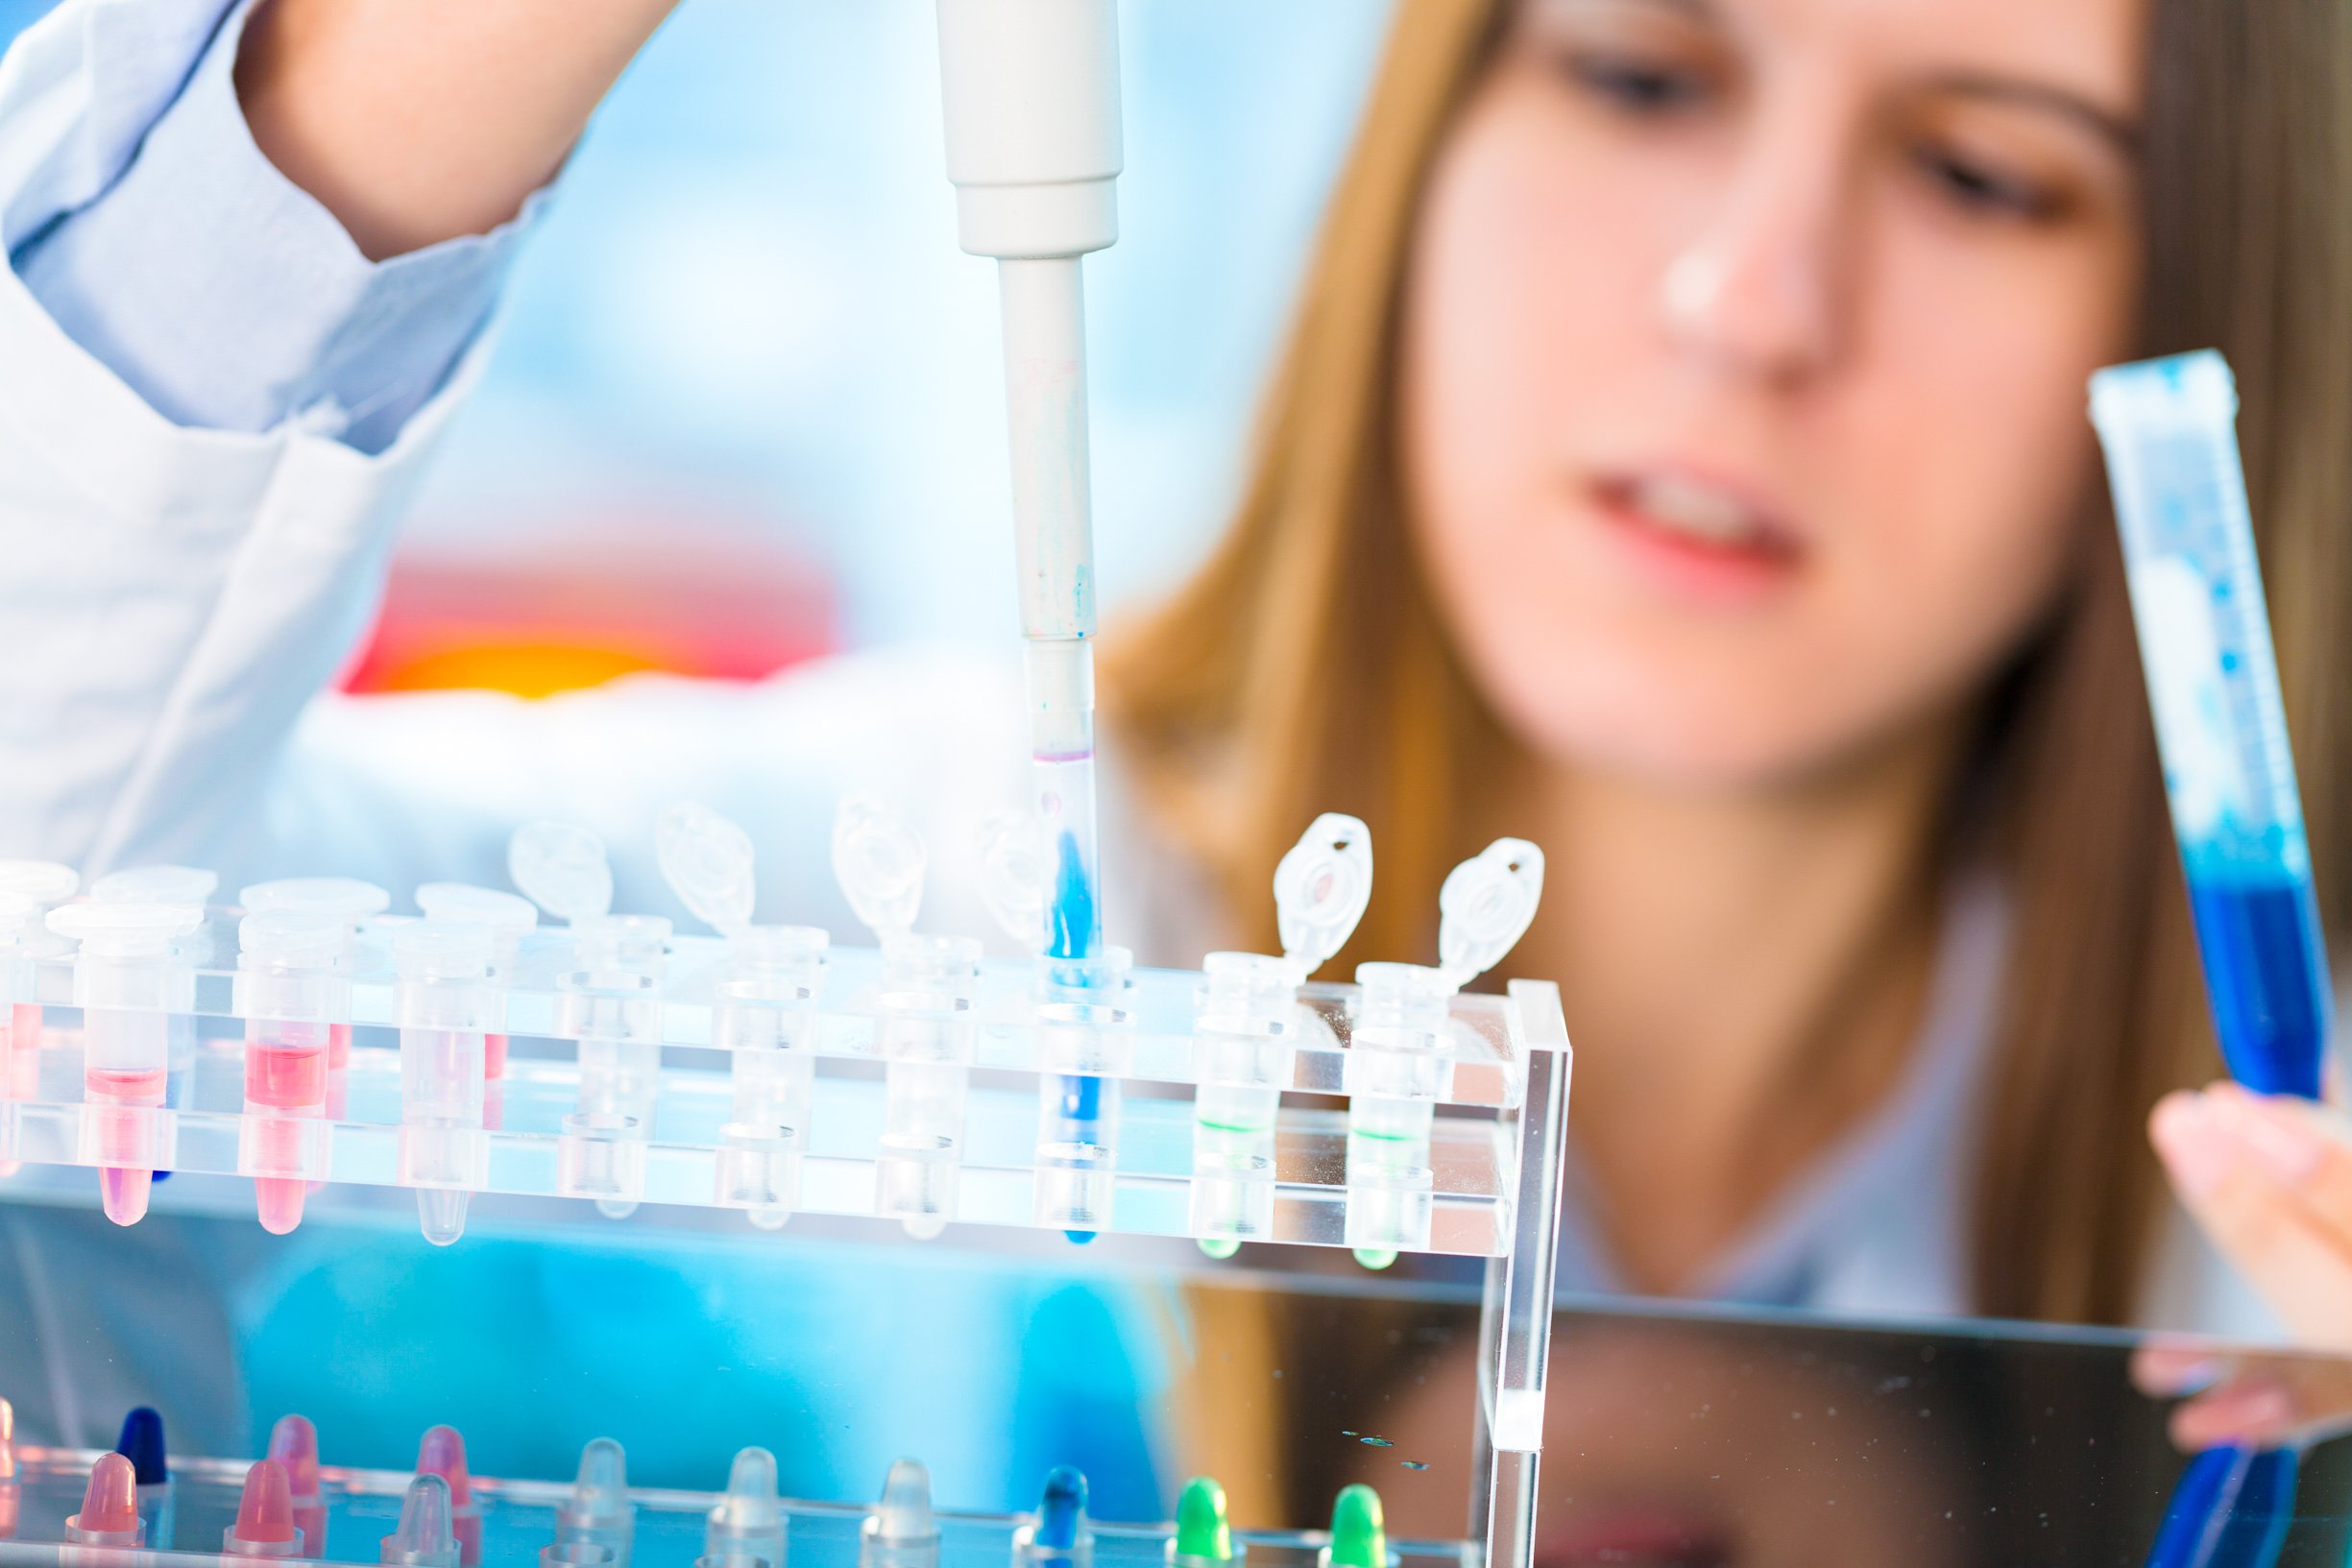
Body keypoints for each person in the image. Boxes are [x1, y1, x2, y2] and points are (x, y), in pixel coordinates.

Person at [4, 0, 2352, 1349]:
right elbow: (50, 913)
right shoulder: (836, 916)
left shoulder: (2273, 1192)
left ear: (2208, 313)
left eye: (1980, 175)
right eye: (1639, 73)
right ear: (1414, 157)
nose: (1748, 299)